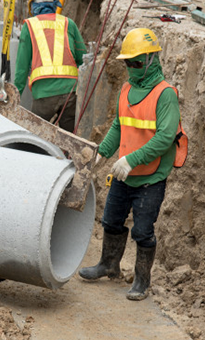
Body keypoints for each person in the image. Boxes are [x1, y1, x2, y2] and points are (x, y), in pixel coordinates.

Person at [78, 28, 187, 301]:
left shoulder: (166, 95)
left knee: (142, 231)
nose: (132, 68)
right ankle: (109, 265)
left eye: (137, 62)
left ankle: (141, 279)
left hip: (149, 178)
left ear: (151, 60)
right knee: (111, 221)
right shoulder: (126, 89)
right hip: (124, 174)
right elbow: (119, 125)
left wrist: (132, 160)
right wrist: (102, 153)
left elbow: (164, 138)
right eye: (128, 63)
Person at [13, 0, 87, 133]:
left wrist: (15, 94)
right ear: (56, 5)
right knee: (70, 140)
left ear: (32, 6)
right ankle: (67, 154)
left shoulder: (29, 26)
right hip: (70, 92)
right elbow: (83, 58)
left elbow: (22, 67)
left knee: (36, 137)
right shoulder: (68, 23)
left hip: (44, 94)